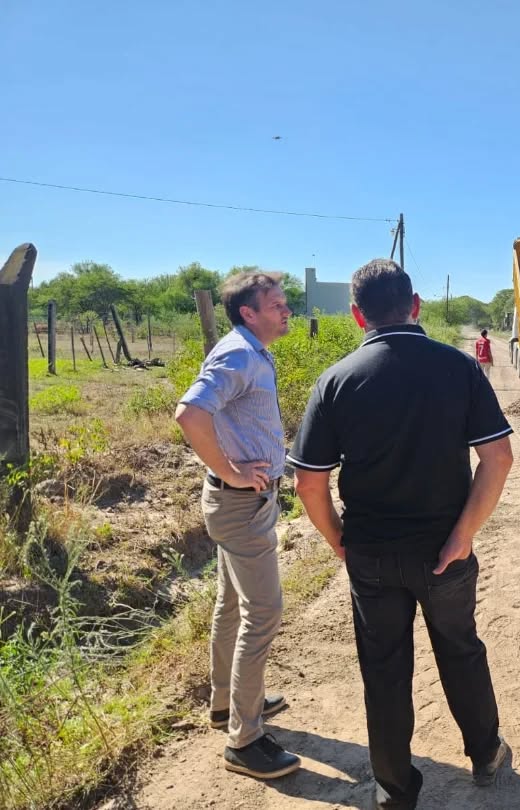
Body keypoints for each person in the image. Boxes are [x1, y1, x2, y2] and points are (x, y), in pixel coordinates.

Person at [289, 258, 514, 809]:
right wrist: (464, 535)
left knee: (384, 669)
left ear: (355, 314)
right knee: (461, 649)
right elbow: (498, 458)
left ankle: (394, 789)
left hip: (371, 554)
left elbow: (308, 483)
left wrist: (338, 540)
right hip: (446, 553)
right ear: (414, 305)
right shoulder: (457, 368)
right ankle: (485, 754)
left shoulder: (336, 379)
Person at [174, 272, 301, 780]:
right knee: (264, 611)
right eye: (275, 305)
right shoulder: (239, 354)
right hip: (239, 505)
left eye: (284, 303)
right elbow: (189, 413)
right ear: (248, 312)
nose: (285, 310)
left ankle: (226, 703)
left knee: (232, 604)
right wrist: (229, 471)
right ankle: (244, 742)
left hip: (242, 503)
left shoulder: (252, 350)